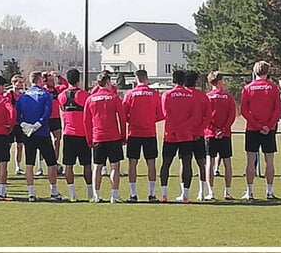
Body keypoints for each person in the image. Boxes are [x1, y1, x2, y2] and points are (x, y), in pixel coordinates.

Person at [15, 71, 64, 202]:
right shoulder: (45, 94)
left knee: (29, 164)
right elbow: (47, 112)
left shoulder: (23, 96)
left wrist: (24, 124)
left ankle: (31, 193)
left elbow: (16, 114)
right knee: (51, 163)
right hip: (42, 132)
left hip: (28, 133)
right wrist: (38, 124)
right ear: (39, 80)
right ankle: (53, 191)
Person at [240, 60, 281, 201]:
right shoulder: (273, 88)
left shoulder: (248, 88)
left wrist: (257, 125)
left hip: (252, 128)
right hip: (269, 129)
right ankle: (269, 191)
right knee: (269, 160)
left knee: (250, 160)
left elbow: (244, 110)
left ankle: (250, 192)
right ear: (267, 72)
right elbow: (278, 109)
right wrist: (268, 125)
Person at [84, 73, 126, 203]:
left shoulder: (90, 99)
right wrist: (123, 136)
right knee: (115, 167)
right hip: (113, 137)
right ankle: (114, 195)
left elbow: (86, 121)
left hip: (98, 137)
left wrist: (89, 139)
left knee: (97, 167)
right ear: (107, 82)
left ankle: (96, 195)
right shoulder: (114, 98)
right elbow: (122, 118)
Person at [122, 69, 161, 202]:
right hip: (150, 132)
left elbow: (123, 114)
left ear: (136, 79)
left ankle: (133, 194)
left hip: (134, 133)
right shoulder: (154, 94)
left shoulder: (130, 94)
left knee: (132, 163)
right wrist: (150, 120)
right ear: (146, 78)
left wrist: (132, 120)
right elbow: (161, 114)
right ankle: (152, 194)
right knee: (151, 163)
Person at [159, 69, 197, 203]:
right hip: (186, 134)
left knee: (166, 163)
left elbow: (166, 114)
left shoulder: (167, 94)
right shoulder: (190, 95)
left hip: (171, 134)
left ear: (173, 80)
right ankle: (186, 195)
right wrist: (185, 127)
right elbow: (194, 115)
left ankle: (164, 194)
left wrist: (175, 128)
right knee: (187, 163)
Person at [58, 68, 92, 201]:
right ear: (79, 80)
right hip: (83, 134)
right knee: (87, 165)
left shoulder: (61, 96)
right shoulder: (85, 95)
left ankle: (72, 195)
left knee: (69, 165)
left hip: (68, 134)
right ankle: (90, 193)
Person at [204, 71, 237, 201]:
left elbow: (205, 117)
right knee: (227, 162)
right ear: (218, 82)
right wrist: (223, 130)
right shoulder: (228, 97)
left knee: (209, 162)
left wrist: (214, 129)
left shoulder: (207, 97)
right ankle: (227, 192)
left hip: (210, 134)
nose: (224, 82)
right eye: (223, 80)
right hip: (225, 134)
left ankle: (211, 192)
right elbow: (232, 115)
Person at [184, 70, 211, 201]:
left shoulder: (183, 96)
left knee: (185, 163)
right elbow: (208, 116)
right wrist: (200, 130)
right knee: (201, 163)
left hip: (185, 135)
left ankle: (184, 192)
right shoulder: (203, 96)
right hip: (199, 135)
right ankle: (202, 192)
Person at [8, 74, 27, 175]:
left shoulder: (22, 95)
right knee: (8, 145)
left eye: (22, 82)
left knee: (20, 145)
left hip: (20, 124)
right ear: (13, 83)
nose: (21, 84)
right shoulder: (8, 95)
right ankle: (4, 165)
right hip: (11, 124)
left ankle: (18, 167)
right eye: (19, 82)